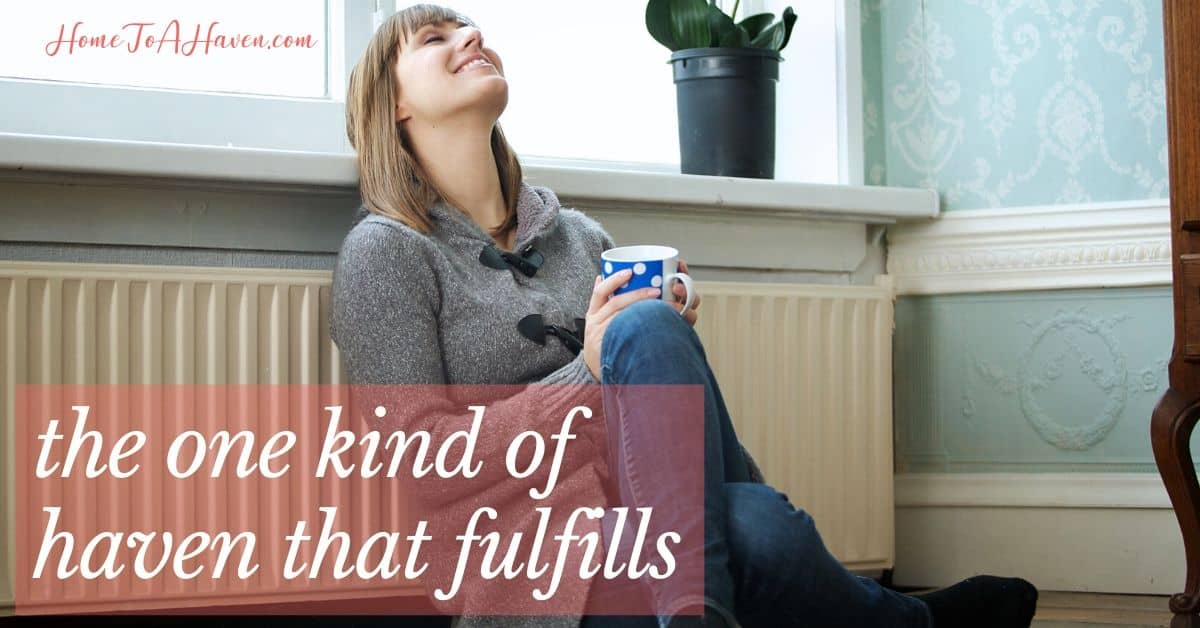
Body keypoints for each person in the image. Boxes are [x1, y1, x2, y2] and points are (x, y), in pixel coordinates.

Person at [330, 4, 1040, 628]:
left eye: (469, 26)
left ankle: (695, 612)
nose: (472, 35)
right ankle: (908, 622)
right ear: (393, 104)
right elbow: (422, 466)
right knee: (761, 526)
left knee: (651, 335)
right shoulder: (386, 254)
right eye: (433, 38)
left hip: (655, 511)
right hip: (526, 555)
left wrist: (664, 334)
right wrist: (588, 372)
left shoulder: (580, 238)